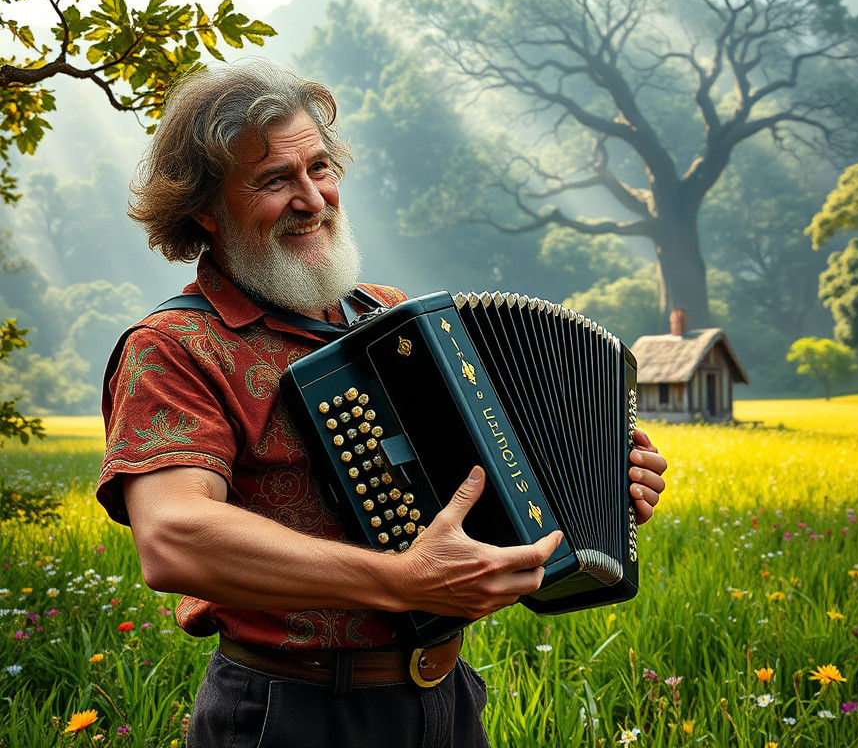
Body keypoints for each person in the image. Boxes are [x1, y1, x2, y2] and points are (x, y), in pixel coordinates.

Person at [97, 60, 668, 748]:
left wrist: (599, 482)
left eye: (320, 167)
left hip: (446, 701)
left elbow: (490, 485)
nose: (312, 198)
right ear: (204, 210)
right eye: (275, 180)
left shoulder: (392, 317)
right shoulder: (173, 346)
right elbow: (172, 538)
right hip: (291, 713)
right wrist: (403, 581)